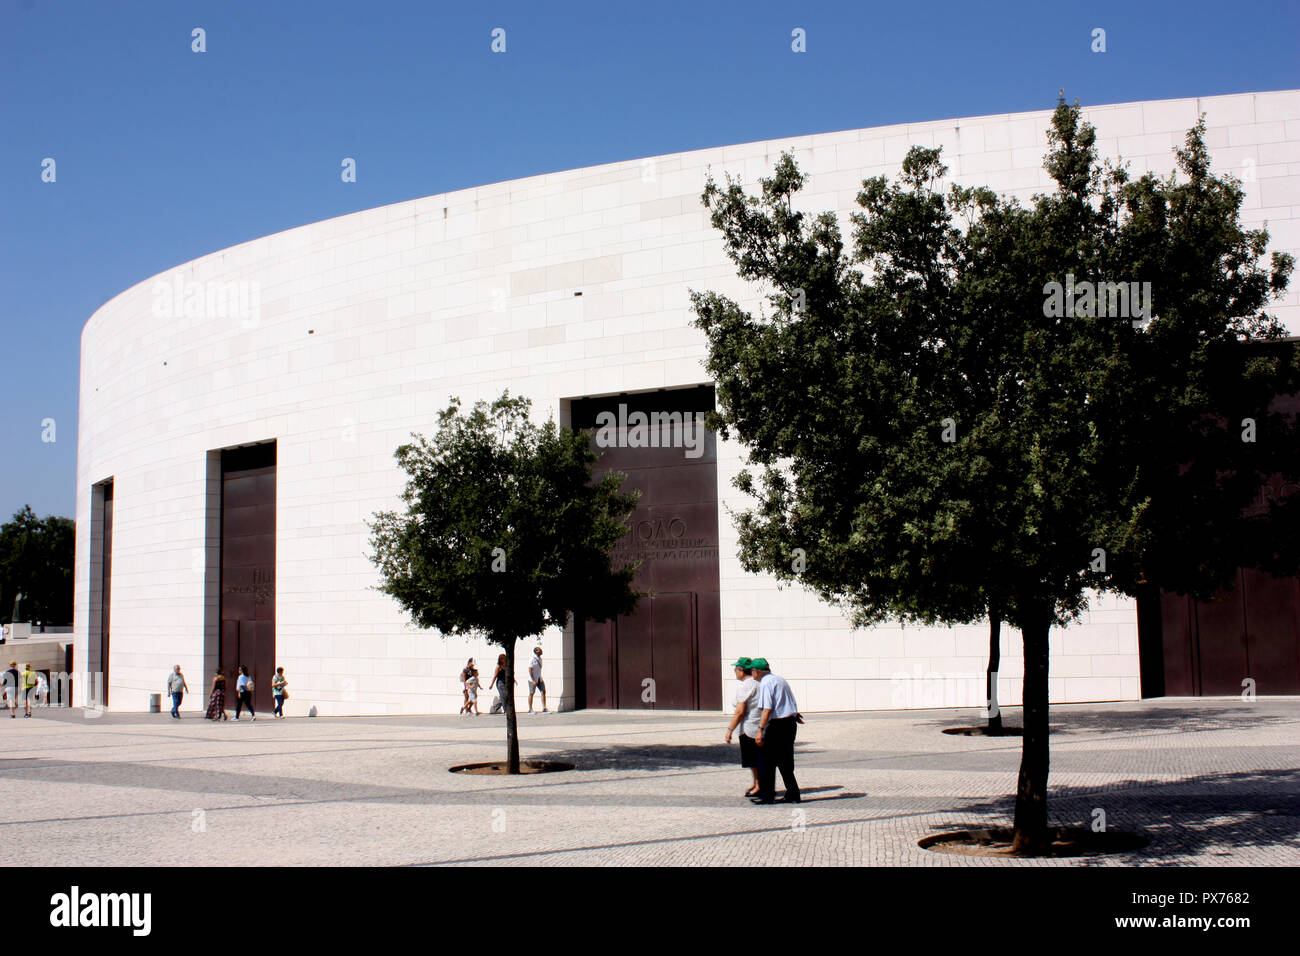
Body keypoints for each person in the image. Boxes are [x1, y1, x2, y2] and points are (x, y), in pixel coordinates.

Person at [749, 658, 801, 805]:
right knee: (785, 761)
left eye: (752, 671)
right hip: (790, 723)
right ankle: (793, 793)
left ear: (756, 672)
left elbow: (767, 709)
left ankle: (767, 796)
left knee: (765, 760)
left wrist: (760, 730)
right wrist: (795, 715)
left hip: (777, 725)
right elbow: (788, 702)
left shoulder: (765, 683)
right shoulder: (780, 680)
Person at [724, 657, 762, 797]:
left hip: (749, 726)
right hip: (756, 724)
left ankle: (759, 785)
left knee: (752, 758)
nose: (734, 671)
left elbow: (740, 711)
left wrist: (730, 730)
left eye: (736, 669)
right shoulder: (757, 683)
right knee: (755, 758)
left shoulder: (746, 685)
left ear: (741, 670)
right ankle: (756, 782)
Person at [527, 646, 549, 713]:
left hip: (539, 678)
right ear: (536, 651)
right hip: (532, 680)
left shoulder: (540, 659)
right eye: (539, 650)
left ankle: (544, 708)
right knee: (531, 693)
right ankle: (530, 709)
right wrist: (533, 680)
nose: (541, 651)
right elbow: (530, 669)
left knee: (543, 691)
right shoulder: (532, 659)